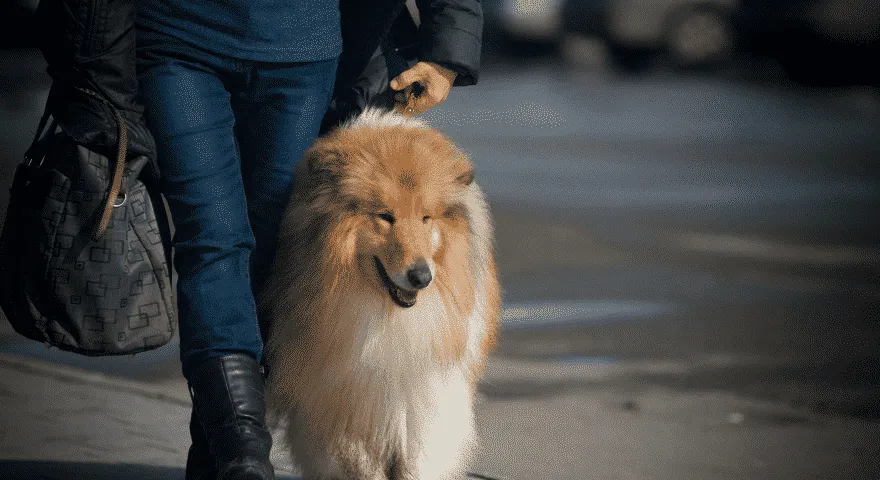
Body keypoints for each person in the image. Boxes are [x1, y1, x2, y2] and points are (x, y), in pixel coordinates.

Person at [134, 1, 483, 479]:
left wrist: (448, 47)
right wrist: (92, 65)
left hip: (303, 48)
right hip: (178, 38)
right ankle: (244, 455)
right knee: (212, 242)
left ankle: (218, 452)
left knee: (272, 252)